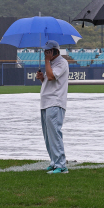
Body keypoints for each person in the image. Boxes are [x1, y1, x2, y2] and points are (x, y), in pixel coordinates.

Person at [35, 40, 69, 174]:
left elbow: (51, 77)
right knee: (48, 135)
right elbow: (48, 79)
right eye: (45, 51)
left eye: (48, 51)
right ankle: (54, 162)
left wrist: (47, 62)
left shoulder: (61, 62)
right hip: (46, 102)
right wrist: (41, 78)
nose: (46, 54)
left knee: (54, 133)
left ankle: (61, 165)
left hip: (55, 102)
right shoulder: (52, 63)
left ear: (55, 51)